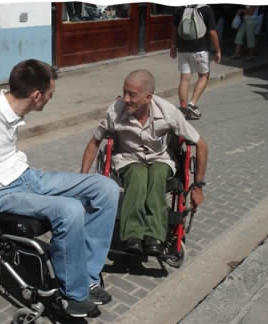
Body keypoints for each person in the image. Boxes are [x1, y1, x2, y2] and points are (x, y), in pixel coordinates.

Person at [0, 59, 120, 318]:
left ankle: (85, 276)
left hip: (30, 177)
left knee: (106, 188)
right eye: (51, 94)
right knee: (70, 210)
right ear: (37, 95)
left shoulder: (15, 111)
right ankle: (73, 295)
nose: (52, 98)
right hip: (0, 193)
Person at [81, 70, 208, 256]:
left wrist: (198, 186)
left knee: (156, 174)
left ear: (148, 97)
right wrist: (83, 180)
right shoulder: (115, 111)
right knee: (139, 175)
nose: (125, 99)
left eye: (132, 95)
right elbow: (94, 143)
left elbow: (201, 144)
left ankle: (154, 235)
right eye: (124, 92)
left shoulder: (168, 112)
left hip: (160, 158)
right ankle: (133, 235)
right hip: (128, 158)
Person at [170, 5, 221, 120]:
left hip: (183, 49)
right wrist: (218, 50)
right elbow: (212, 32)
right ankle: (191, 104)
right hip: (200, 49)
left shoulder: (179, 8)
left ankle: (183, 107)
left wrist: (173, 46)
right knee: (204, 76)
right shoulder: (206, 9)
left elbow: (174, 29)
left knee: (184, 78)